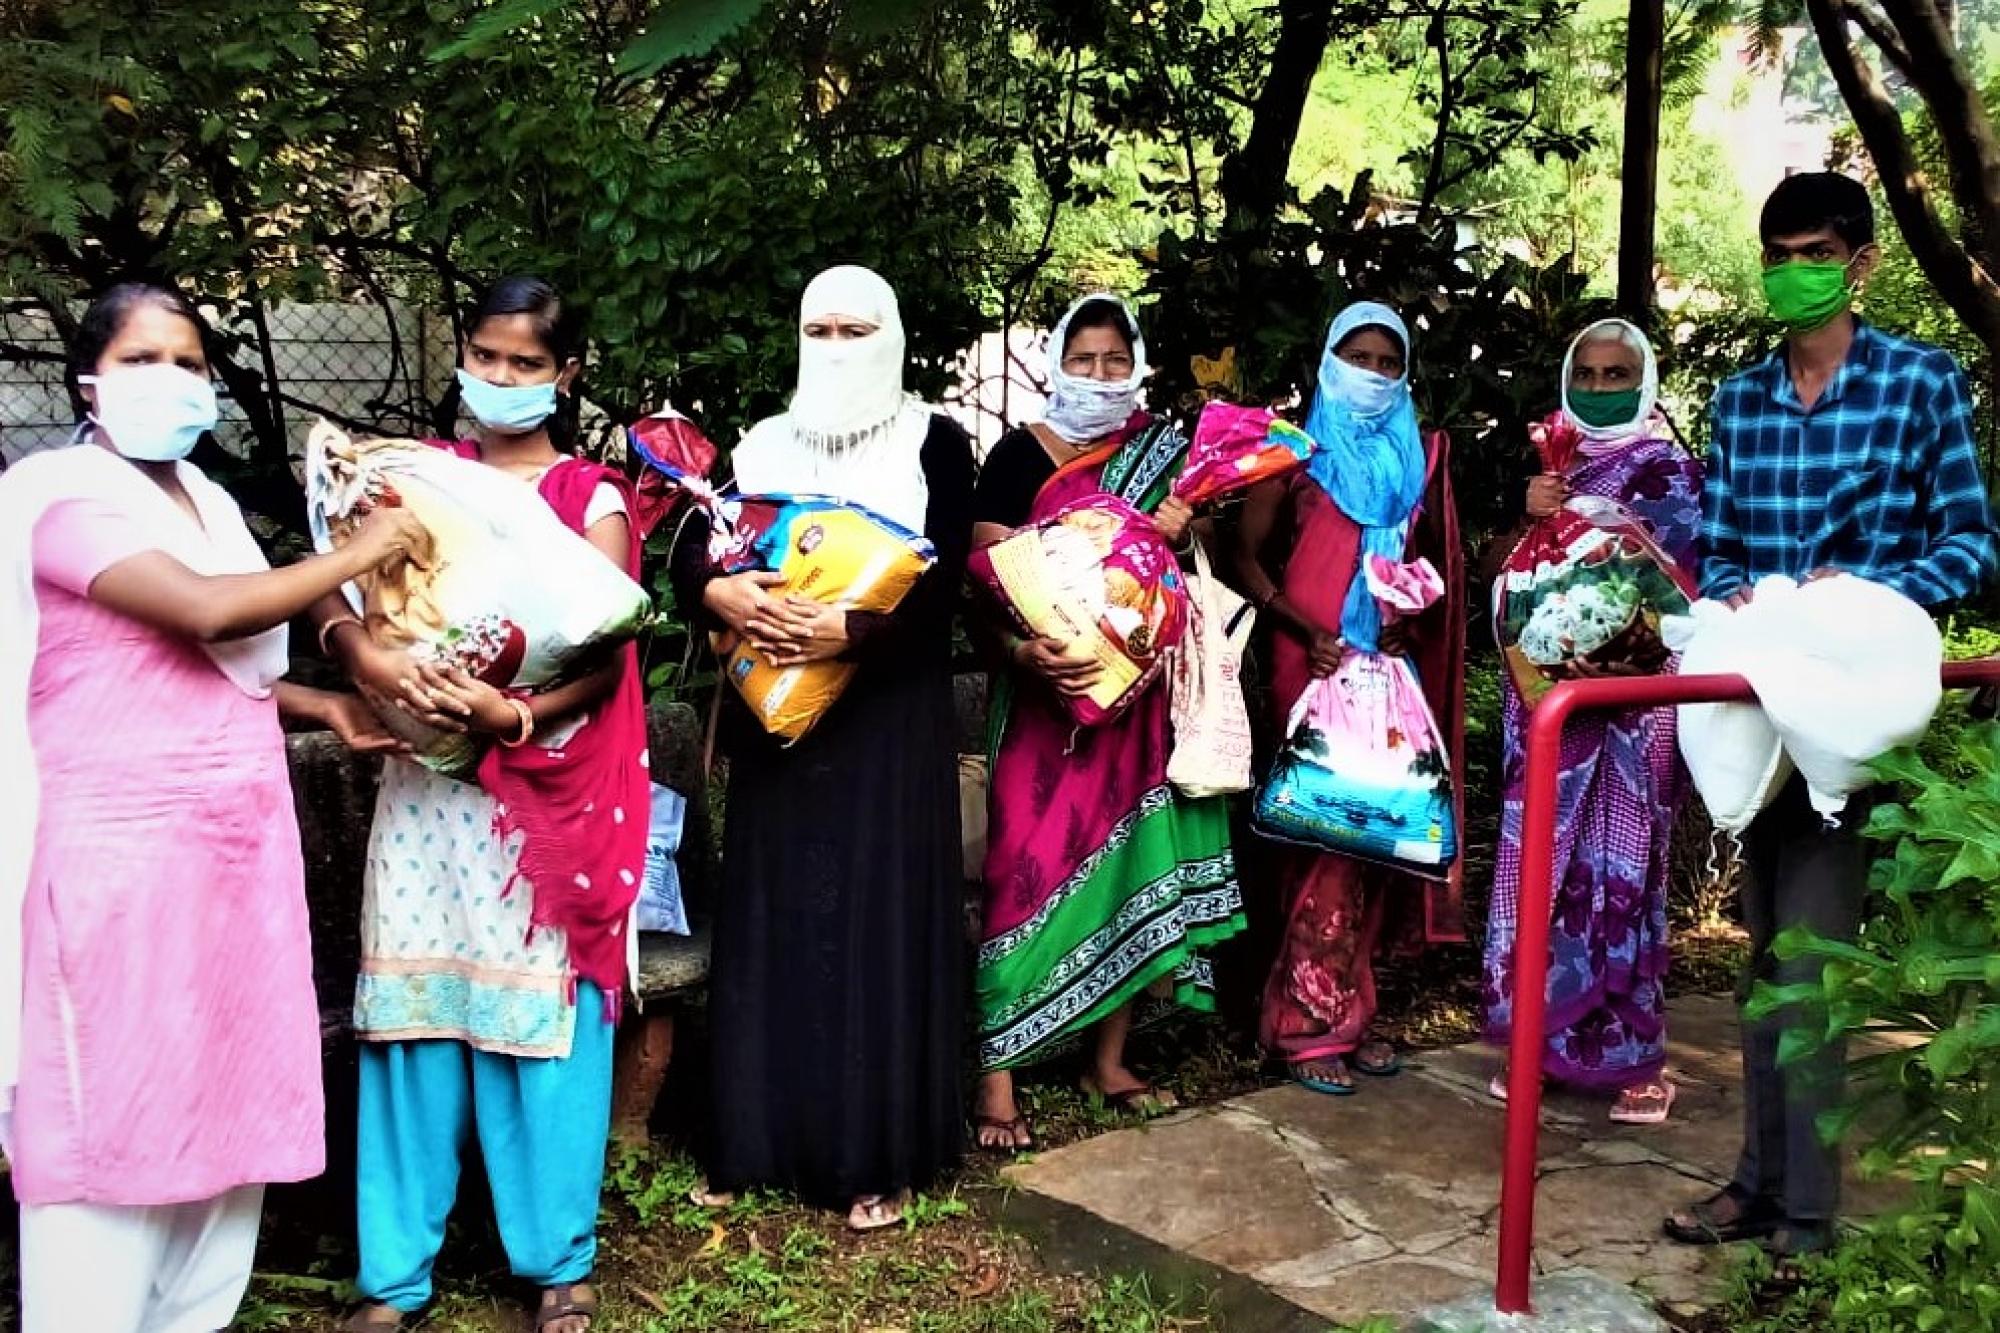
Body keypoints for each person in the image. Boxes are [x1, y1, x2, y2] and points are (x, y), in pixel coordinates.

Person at [0, 282, 424, 1333]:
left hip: (232, 859)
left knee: (224, 1097)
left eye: (191, 361)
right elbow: (202, 610)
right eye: (145, 360)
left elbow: (199, 666)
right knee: (112, 1112)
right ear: (88, 378)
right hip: (116, 863)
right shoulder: (58, 498)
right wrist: (361, 553)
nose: (175, 381)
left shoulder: (206, 499)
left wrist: (319, 699)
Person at [1663, 173, 1998, 1259]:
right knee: (1764, 959)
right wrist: (1731, 602)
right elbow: (1715, 549)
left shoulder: (1917, 383)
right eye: (1773, 251)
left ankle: (1804, 1225)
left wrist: (1858, 600)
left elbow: (1969, 541)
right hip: (1752, 704)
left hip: (1851, 706)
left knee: (1809, 965)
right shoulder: (1739, 400)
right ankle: (1758, 1183)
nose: (1788, 270)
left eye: (1810, 249)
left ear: (1859, 261)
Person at [325, 277, 647, 1333]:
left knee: (536, 1018)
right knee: (413, 1010)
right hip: (422, 788)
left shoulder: (587, 498)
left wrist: (508, 717)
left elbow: (602, 655)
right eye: (485, 355)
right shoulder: (414, 480)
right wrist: (363, 652)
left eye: (524, 362)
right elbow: (334, 582)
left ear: (566, 374)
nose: (499, 379)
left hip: (539, 797)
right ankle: (394, 1276)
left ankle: (554, 1262)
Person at [675, 265, 971, 1231]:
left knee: (876, 926)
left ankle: (871, 1155)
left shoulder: (939, 441)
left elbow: (950, 586)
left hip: (886, 723)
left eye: (856, 329)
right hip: (782, 725)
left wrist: (850, 632)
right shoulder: (763, 444)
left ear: (890, 334)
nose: (836, 348)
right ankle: (753, 1143)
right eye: (820, 329)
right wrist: (718, 593)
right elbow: (695, 541)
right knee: (775, 920)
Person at [970, 294, 1245, 1151]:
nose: (1098, 376)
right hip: (1045, 697)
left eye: (1114, 360)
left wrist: (1177, 526)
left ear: (1137, 366)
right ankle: (997, 1075)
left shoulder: (1166, 456)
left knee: (1132, 854)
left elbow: (1194, 577)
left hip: (1138, 697)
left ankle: (1109, 1058)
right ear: (1057, 363)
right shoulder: (1019, 455)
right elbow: (986, 576)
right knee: (1022, 859)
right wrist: (1024, 656)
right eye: (1082, 359)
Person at [1232, 299, 1466, 1095]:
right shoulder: (1291, 453)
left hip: (1384, 674)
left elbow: (1426, 565)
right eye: (1357, 356)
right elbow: (1246, 561)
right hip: (1311, 665)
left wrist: (1405, 624)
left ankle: (1351, 1014)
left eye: (1388, 361)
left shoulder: (1419, 460)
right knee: (1316, 835)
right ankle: (1300, 1025)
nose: (1372, 374)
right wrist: (1302, 626)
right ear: (1328, 360)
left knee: (1378, 835)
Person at [1481, 318, 1703, 1125]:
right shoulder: (1550, 466)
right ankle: (1534, 1044)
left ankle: (1634, 1056)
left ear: (1642, 383)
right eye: (1591, 372)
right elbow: (1503, 578)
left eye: (1619, 374)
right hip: (1551, 705)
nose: (1602, 387)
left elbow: (1681, 588)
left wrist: (1612, 641)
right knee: (1544, 868)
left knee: (1624, 872)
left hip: (1634, 708)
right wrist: (1535, 516)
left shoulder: (1671, 472)